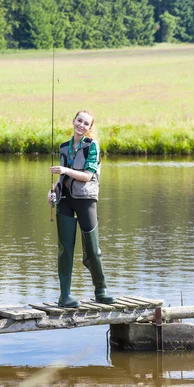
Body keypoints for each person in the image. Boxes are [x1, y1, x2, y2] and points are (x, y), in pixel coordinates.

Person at [49, 110, 115, 308]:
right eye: (79, 121)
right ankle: (65, 296)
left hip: (85, 199)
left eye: (86, 123)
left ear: (89, 128)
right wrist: (52, 191)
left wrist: (66, 171)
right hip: (65, 200)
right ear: (73, 121)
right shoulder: (63, 147)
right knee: (65, 249)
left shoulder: (92, 146)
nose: (81, 125)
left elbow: (87, 176)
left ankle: (101, 290)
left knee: (92, 249)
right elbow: (61, 177)